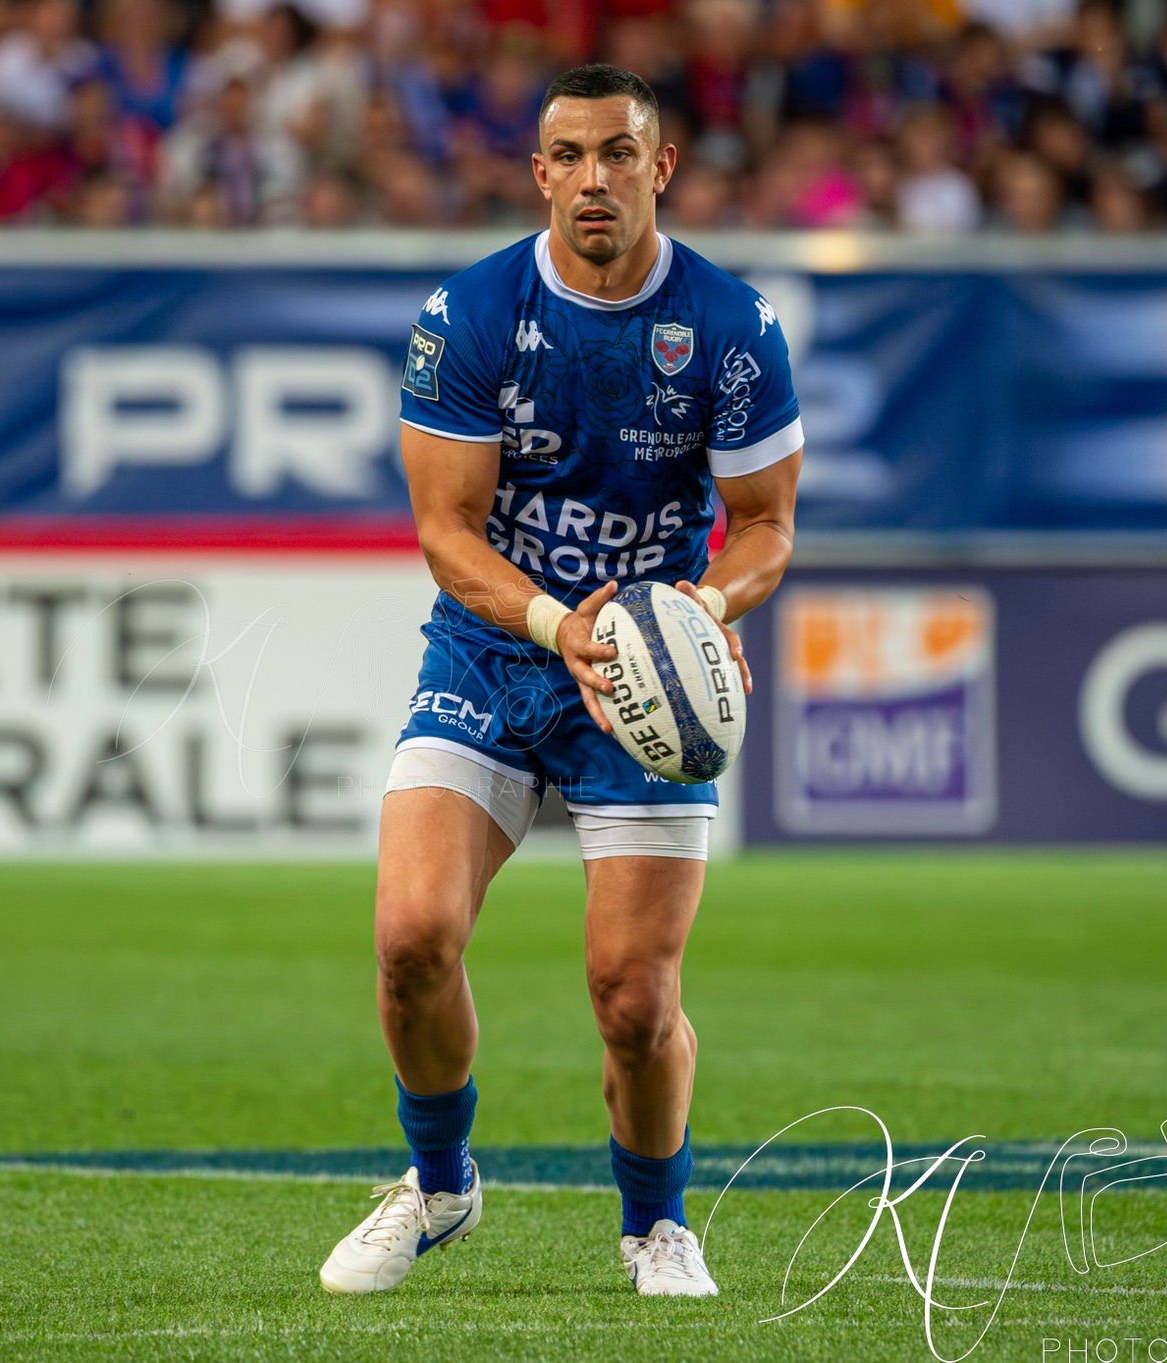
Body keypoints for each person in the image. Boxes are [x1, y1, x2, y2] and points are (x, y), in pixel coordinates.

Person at [318, 62, 802, 1299]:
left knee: (633, 999)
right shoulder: (470, 315)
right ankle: (437, 1186)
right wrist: (551, 621)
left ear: (661, 168)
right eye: (570, 156)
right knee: (409, 937)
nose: (595, 178)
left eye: (618, 154)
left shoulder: (733, 327)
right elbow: (445, 530)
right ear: (537, 173)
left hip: (640, 678)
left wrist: (702, 604)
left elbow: (763, 527)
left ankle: (654, 1225)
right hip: (496, 652)